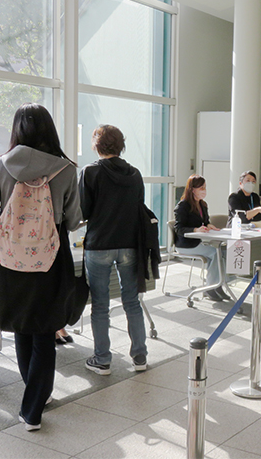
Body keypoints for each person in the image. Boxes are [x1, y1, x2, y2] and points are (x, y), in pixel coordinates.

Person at [0, 103, 82, 431]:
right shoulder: (66, 168)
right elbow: (73, 219)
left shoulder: (1, 164)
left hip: (9, 256)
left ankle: (34, 395)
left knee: (22, 325)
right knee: (45, 326)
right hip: (50, 257)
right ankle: (34, 405)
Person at [79, 124, 148, 375]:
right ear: (121, 145)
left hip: (99, 245)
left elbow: (83, 211)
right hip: (129, 244)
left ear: (96, 146)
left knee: (100, 305)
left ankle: (103, 359)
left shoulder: (90, 172)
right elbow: (138, 207)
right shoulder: (135, 174)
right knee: (132, 301)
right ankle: (140, 357)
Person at [174, 175, 226, 301]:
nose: (204, 190)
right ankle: (210, 288)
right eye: (201, 188)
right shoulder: (183, 206)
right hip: (186, 245)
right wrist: (195, 230)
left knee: (223, 252)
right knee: (215, 253)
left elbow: (205, 221)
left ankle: (217, 284)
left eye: (205, 187)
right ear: (192, 189)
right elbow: (178, 228)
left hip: (198, 242)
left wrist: (209, 225)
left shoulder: (203, 205)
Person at [227, 170, 261, 291]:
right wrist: (258, 209)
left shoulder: (254, 196)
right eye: (248, 181)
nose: (251, 184)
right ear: (240, 183)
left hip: (254, 229)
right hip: (239, 231)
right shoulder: (234, 197)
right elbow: (241, 216)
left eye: (253, 182)